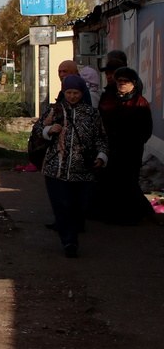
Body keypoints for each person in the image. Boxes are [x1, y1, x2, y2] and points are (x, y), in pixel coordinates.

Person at [40, 74, 108, 257]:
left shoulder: (92, 114)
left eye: (76, 92)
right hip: (57, 169)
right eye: (68, 92)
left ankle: (74, 230)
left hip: (84, 171)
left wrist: (101, 156)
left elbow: (101, 138)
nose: (72, 96)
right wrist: (48, 130)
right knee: (62, 206)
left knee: (80, 207)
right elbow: (38, 130)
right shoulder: (54, 111)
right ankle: (69, 241)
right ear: (63, 92)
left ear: (82, 92)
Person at [93, 66, 154, 225]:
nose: (122, 84)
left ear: (133, 84)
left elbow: (146, 129)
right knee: (109, 180)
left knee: (127, 181)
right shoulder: (108, 98)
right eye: (119, 80)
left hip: (130, 150)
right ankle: (110, 214)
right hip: (110, 147)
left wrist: (133, 142)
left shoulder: (140, 102)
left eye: (126, 81)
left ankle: (130, 217)